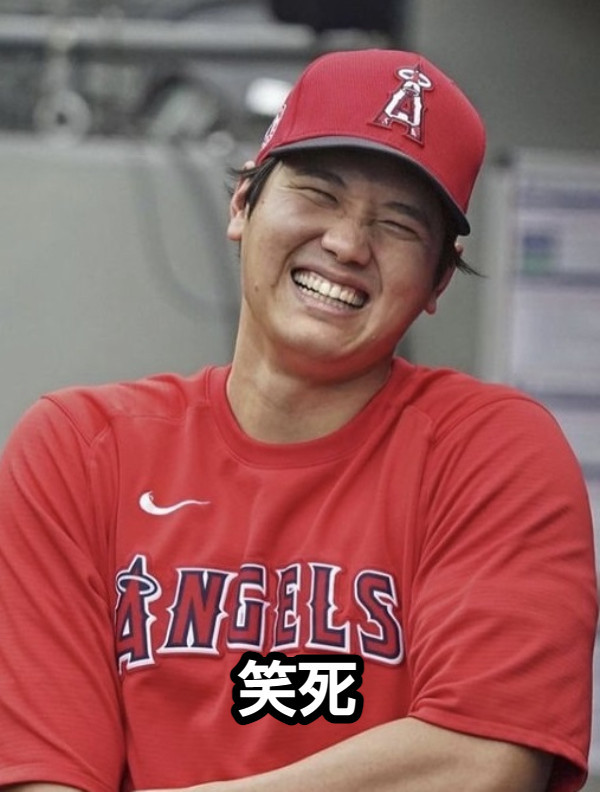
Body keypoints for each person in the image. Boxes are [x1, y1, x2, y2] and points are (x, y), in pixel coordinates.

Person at [0, 48, 596, 792]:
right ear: (242, 205)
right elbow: (44, 771)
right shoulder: (82, 450)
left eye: (399, 225)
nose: (347, 244)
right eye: (317, 193)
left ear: (439, 279)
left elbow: (482, 762)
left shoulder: (491, 454)